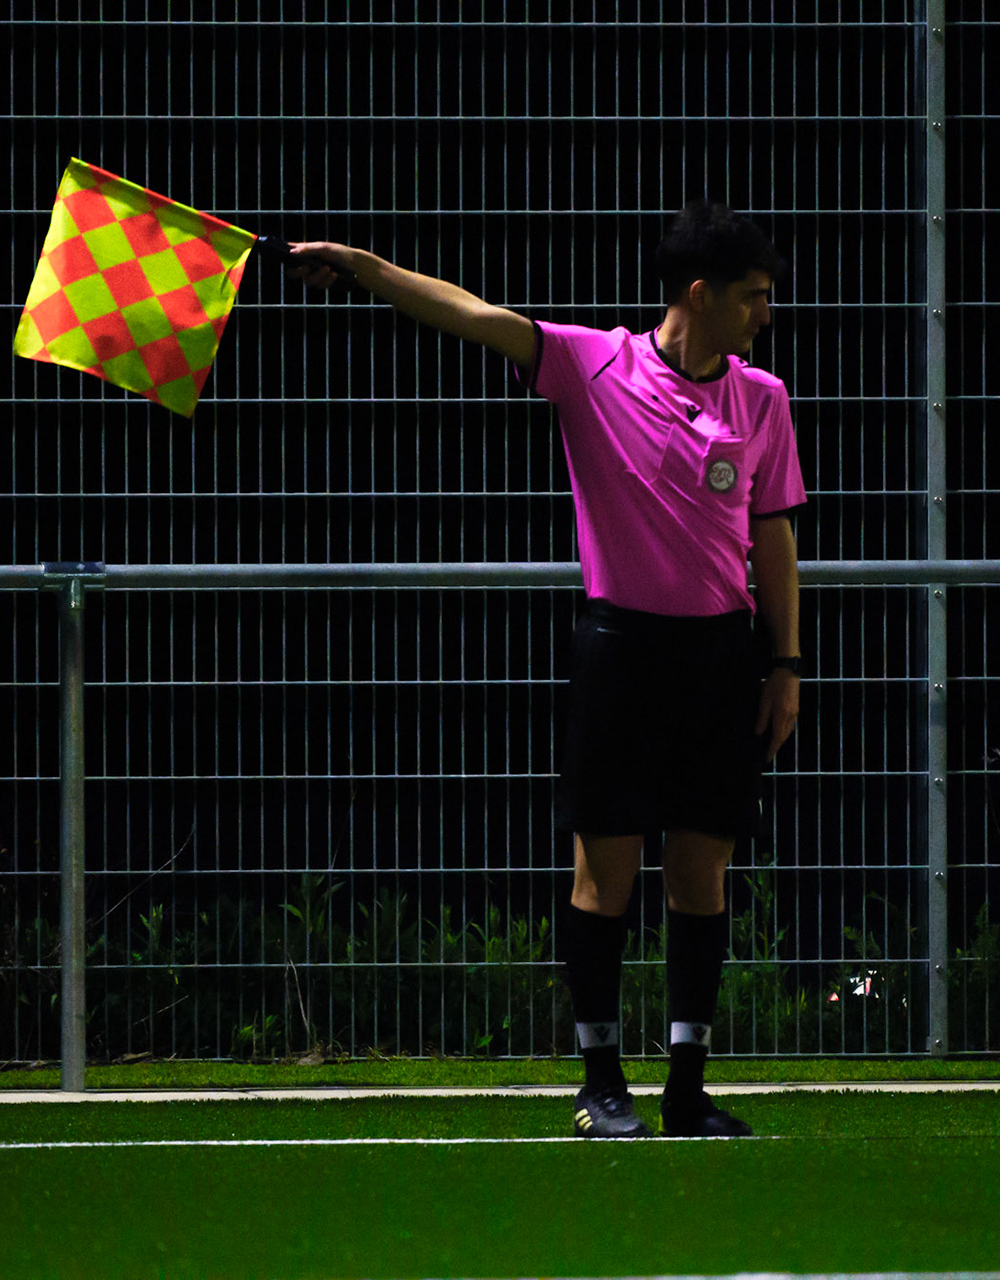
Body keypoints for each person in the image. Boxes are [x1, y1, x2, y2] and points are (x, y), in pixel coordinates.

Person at [286, 202, 805, 1138]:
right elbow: (469, 313)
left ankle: (687, 1088)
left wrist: (786, 663)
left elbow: (772, 537)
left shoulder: (762, 399)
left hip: (722, 658)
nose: (765, 314)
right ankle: (600, 1082)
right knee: (602, 875)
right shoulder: (591, 362)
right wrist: (364, 266)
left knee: (702, 878)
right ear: (701, 293)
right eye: (755, 297)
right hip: (621, 652)